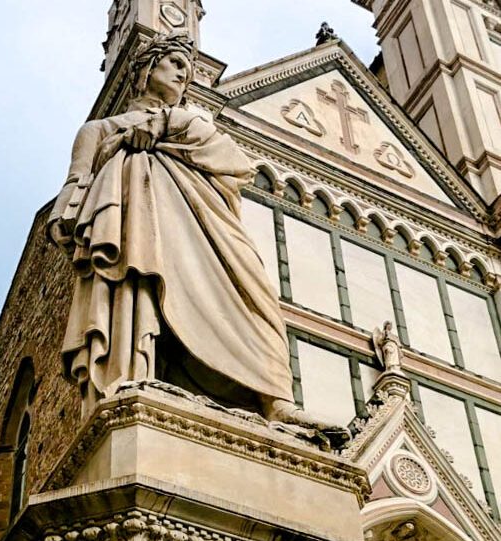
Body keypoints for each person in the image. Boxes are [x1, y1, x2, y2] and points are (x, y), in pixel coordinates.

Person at [49, 31, 346, 444]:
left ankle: (272, 400)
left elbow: (233, 164)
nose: (182, 75)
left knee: (256, 299)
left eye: (187, 70)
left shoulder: (191, 124)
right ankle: (136, 376)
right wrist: (71, 212)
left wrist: (164, 127)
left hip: (205, 231)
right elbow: (76, 186)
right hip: (137, 229)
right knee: (141, 289)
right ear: (145, 69)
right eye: (174, 65)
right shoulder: (99, 130)